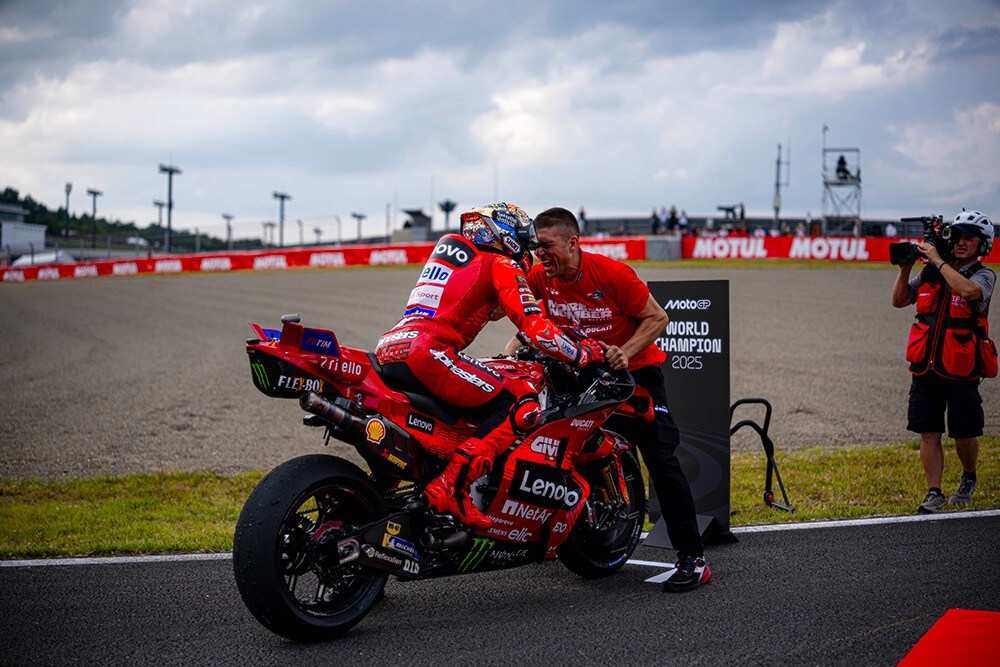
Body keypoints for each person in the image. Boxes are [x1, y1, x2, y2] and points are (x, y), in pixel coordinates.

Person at [503, 207, 711, 593]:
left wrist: (625, 353)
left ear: (573, 243)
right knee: (543, 442)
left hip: (634, 375)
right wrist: (512, 348)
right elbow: (523, 324)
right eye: (536, 247)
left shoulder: (613, 274)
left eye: (546, 246)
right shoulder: (537, 277)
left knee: (660, 457)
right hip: (578, 373)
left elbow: (657, 318)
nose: (540, 254)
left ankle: (693, 558)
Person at [376, 203, 603, 529]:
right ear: (509, 237)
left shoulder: (453, 253)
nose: (528, 253)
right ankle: (452, 487)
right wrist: (583, 353)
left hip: (391, 347)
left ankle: (394, 489)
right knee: (520, 401)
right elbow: (535, 329)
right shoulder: (499, 262)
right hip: (429, 351)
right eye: (526, 244)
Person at [891, 210, 996, 514]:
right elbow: (898, 300)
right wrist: (905, 269)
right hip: (927, 365)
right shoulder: (929, 274)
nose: (961, 242)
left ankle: (969, 476)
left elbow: (968, 291)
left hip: (962, 368)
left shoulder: (984, 275)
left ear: (983, 244)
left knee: (964, 433)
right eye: (957, 236)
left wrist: (939, 260)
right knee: (929, 431)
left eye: (969, 237)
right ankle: (933, 492)